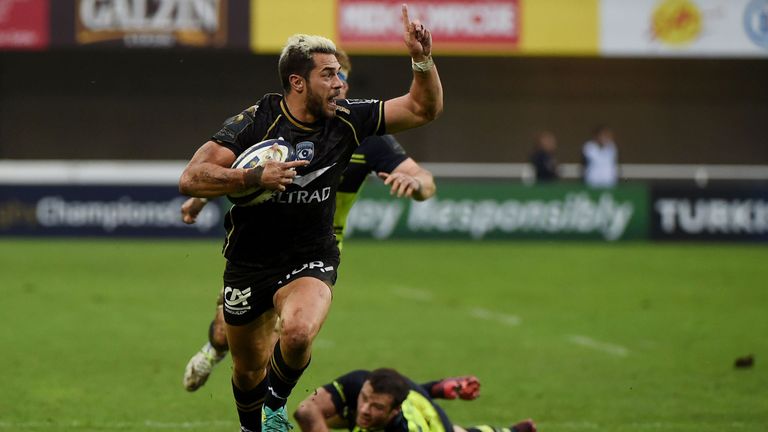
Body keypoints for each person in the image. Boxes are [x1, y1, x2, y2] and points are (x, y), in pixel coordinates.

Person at [177, 5, 443, 431]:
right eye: (329, 75)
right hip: (250, 261)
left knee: (298, 332)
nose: (340, 84)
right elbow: (192, 177)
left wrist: (422, 60)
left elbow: (421, 109)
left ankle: (274, 408)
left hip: (313, 254)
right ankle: (253, 424)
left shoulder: (349, 120)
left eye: (340, 74)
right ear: (297, 82)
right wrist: (251, 176)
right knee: (247, 369)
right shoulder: (256, 121)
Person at [293, 368, 536, 432]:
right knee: (312, 414)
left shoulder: (407, 427)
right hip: (414, 394)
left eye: (376, 406)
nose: (365, 409)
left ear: (394, 411)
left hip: (432, 421)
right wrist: (439, 387)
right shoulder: (360, 383)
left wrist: (436, 392)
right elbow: (305, 411)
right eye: (364, 399)